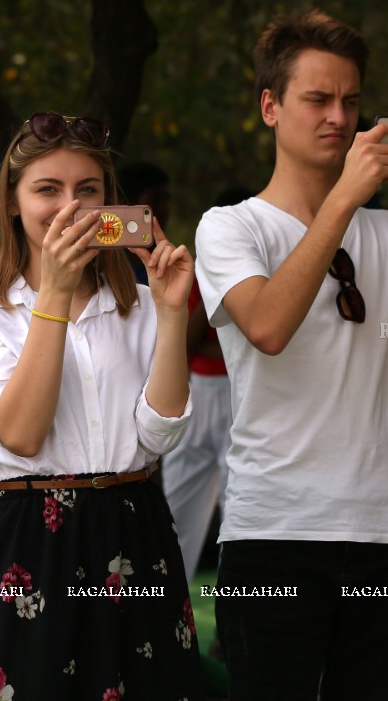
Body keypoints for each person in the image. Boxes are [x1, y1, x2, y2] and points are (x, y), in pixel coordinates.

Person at [194, 10, 388, 700]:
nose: (339, 117)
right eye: (318, 99)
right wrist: (342, 201)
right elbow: (269, 328)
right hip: (274, 531)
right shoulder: (230, 227)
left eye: (352, 100)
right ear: (270, 107)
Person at [0, 113, 205, 701]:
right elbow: (22, 434)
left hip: (134, 527)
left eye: (87, 190)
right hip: (32, 536)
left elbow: (159, 437)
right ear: (12, 204)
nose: (70, 206)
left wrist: (169, 315)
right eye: (47, 189)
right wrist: (55, 292)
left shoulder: (137, 300)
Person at [162, 186, 252, 583]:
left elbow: (266, 342)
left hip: (244, 396)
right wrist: (210, 280)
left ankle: (233, 628)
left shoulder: (269, 270)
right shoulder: (199, 272)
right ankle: (163, 612)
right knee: (178, 505)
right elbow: (184, 343)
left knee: (243, 507)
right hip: (198, 390)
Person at [116, 160, 171, 285]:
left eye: (167, 199)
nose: (164, 208)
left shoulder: (167, 263)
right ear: (128, 204)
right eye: (155, 199)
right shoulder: (106, 264)